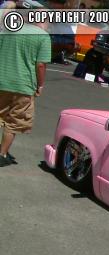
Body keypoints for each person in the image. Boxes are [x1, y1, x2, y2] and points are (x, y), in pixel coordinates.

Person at [0, 9, 51, 166]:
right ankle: (2, 154)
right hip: (23, 85)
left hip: (2, 80)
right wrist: (40, 85)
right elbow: (40, 65)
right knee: (14, 121)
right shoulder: (43, 37)